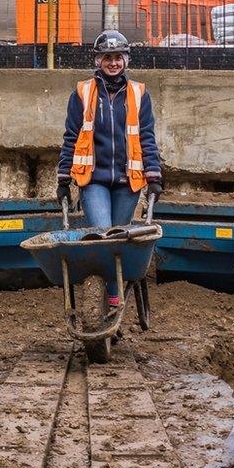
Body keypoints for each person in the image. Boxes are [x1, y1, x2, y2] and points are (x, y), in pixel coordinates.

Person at [57, 30, 163, 307]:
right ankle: (110, 300)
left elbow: (146, 137)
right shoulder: (83, 92)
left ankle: (111, 300)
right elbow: (71, 136)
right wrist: (62, 177)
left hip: (129, 182)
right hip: (93, 180)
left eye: (118, 57)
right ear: (98, 60)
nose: (113, 63)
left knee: (118, 239)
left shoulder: (139, 94)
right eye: (107, 57)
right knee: (103, 237)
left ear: (126, 60)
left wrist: (154, 175)